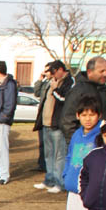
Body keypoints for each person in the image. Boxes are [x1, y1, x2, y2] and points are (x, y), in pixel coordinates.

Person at [58, 96, 101, 210]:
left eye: (92, 115)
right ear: (78, 115)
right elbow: (69, 156)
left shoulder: (100, 136)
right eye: (84, 115)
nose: (88, 119)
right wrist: (66, 175)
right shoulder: (77, 134)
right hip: (73, 188)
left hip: (89, 190)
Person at [33, 60, 73, 194]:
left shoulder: (69, 82)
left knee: (59, 156)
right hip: (46, 123)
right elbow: (38, 94)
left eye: (54, 72)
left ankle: (59, 183)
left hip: (57, 125)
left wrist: (55, 88)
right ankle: (49, 180)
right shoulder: (49, 82)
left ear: (61, 69)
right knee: (48, 155)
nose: (52, 75)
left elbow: (64, 100)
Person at [61, 56, 106, 143]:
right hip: (84, 144)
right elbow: (67, 121)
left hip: (103, 143)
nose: (105, 74)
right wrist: (77, 142)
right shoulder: (78, 90)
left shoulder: (104, 89)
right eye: (101, 71)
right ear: (90, 72)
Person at [32, 65, 52, 172]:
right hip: (42, 119)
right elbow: (36, 92)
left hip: (50, 119)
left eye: (47, 71)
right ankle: (41, 164)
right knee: (42, 144)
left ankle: (48, 166)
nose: (45, 73)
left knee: (49, 145)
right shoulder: (45, 83)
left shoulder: (55, 84)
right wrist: (40, 79)